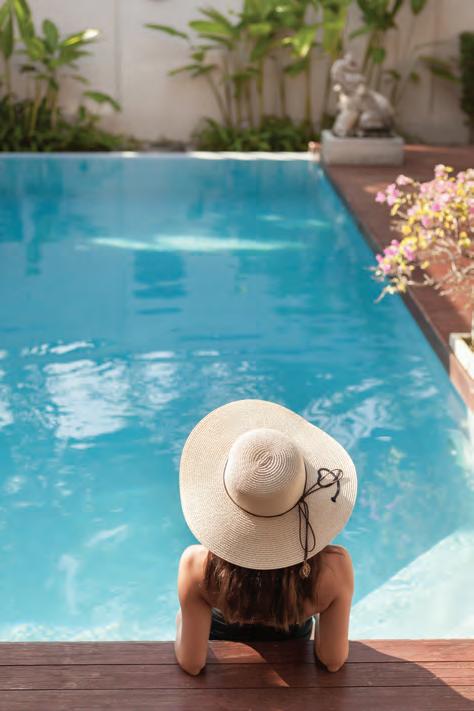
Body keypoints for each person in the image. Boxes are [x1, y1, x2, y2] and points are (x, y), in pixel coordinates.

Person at [175, 398, 357, 675]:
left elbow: (193, 663)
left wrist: (181, 618)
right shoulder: (333, 568)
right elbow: (332, 660)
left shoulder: (197, 566)